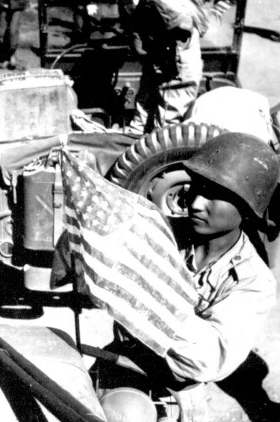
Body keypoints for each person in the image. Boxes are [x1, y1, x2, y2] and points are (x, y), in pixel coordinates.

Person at [93, 132, 279, 421]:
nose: (196, 203)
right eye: (196, 187)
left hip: (179, 385)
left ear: (248, 208)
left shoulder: (253, 282)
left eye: (216, 195)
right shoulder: (157, 231)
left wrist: (145, 297)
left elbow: (208, 358)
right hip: (124, 365)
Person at [123, 0, 209, 134]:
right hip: (159, 57)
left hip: (173, 61)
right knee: (141, 123)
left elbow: (183, 24)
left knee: (165, 130)